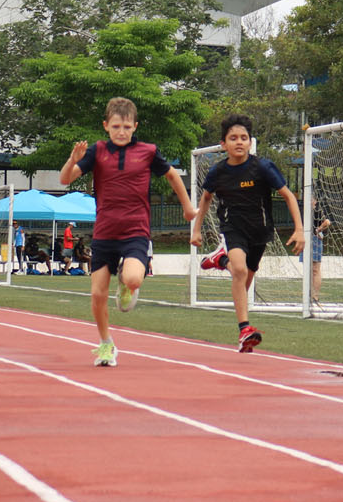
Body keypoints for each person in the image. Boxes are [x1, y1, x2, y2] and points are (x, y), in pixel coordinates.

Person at [60, 96, 196, 367]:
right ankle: (105, 344)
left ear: (135, 126)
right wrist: (72, 159)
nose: (121, 132)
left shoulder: (148, 151)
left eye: (126, 127)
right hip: (105, 232)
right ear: (106, 126)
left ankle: (125, 282)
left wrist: (188, 207)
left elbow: (171, 176)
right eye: (115, 127)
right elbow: (66, 178)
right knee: (98, 293)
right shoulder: (97, 151)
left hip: (136, 229)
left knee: (134, 278)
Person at [190, 114, 304, 353]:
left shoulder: (262, 167)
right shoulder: (217, 172)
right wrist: (197, 229)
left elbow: (289, 196)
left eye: (244, 138)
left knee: (243, 280)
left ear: (250, 142)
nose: (239, 142)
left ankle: (220, 260)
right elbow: (207, 198)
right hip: (233, 228)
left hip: (260, 231)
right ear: (223, 144)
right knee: (240, 271)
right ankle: (245, 329)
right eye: (233, 138)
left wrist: (299, 230)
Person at [303, 193, 332, 300]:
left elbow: (327, 222)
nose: (308, 201)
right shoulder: (305, 211)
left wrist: (318, 230)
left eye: (310, 199)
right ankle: (309, 294)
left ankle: (315, 296)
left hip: (314, 240)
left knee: (315, 269)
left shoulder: (317, 210)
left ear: (315, 201)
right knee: (308, 269)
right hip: (305, 240)